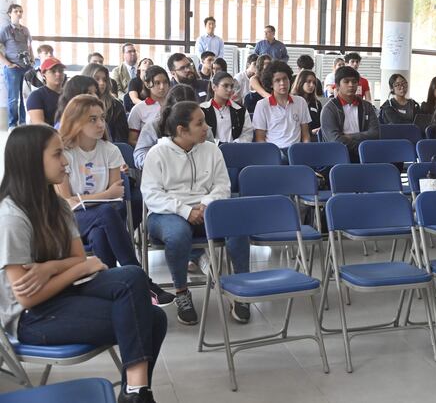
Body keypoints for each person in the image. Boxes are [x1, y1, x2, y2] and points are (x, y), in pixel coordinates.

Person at [0, 125, 167, 403]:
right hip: (33, 318)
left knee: (133, 276)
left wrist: (53, 267)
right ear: (30, 160)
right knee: (153, 319)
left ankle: (135, 391)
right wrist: (78, 267)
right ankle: (137, 393)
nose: (66, 161)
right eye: (57, 154)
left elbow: (79, 258)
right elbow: (29, 297)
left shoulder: (58, 205)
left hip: (66, 292)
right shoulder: (11, 217)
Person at [55, 94, 174, 305]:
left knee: (101, 232)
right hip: (70, 222)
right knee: (106, 213)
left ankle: (110, 294)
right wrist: (104, 196)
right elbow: (67, 202)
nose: (101, 124)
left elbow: (117, 196)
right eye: (92, 119)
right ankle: (140, 280)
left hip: (104, 220)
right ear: (75, 121)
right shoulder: (64, 154)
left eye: (102, 117)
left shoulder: (110, 150)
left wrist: (92, 198)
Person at [142, 101, 251, 326]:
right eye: (200, 123)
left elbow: (222, 185)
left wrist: (205, 204)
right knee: (178, 234)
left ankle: (241, 288)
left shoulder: (212, 149)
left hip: (206, 209)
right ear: (182, 130)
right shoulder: (157, 153)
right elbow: (152, 195)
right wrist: (185, 210)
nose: (207, 127)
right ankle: (182, 292)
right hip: (166, 213)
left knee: (239, 224)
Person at [134, 84, 212, 169]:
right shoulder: (153, 127)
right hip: (163, 175)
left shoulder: (203, 128)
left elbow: (211, 154)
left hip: (197, 174)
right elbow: (139, 157)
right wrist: (163, 160)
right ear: (170, 110)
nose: (184, 119)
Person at [320, 65, 379, 162]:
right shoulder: (329, 109)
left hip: (365, 155)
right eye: (346, 81)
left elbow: (375, 134)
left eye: (354, 82)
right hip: (338, 156)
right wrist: (360, 149)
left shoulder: (367, 107)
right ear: (337, 85)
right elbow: (335, 140)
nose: (351, 85)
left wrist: (349, 136)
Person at [253, 61, 310, 154]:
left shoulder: (300, 102)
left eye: (285, 79)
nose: (282, 83)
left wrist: (305, 152)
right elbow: (260, 139)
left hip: (296, 152)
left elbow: (305, 135)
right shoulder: (262, 105)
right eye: (277, 80)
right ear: (271, 84)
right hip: (273, 153)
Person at [1, 4, 33, 128]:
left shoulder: (25, 30)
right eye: (16, 11)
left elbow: (29, 47)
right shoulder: (5, 30)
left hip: (26, 68)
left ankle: (23, 123)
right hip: (13, 70)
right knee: (13, 99)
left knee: (25, 98)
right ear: (10, 13)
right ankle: (12, 124)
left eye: (20, 11)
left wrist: (31, 61)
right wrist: (8, 63)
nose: (19, 13)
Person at [81, 63, 130, 143]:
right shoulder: (76, 105)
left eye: (104, 80)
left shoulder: (116, 106)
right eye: (97, 79)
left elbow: (121, 140)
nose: (102, 83)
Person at [200, 71, 254, 144]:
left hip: (235, 151)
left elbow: (247, 134)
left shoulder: (241, 110)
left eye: (231, 86)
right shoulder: (201, 110)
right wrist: (219, 144)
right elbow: (199, 135)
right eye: (225, 86)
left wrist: (234, 145)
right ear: (214, 87)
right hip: (209, 152)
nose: (229, 90)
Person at [127, 66, 170, 147]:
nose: (162, 87)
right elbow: (132, 140)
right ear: (147, 84)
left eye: (165, 82)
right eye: (157, 83)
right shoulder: (139, 109)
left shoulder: (174, 105)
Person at [26, 57, 65, 126]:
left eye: (61, 71)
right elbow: (39, 124)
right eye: (53, 71)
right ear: (43, 75)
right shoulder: (36, 96)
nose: (58, 74)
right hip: (47, 135)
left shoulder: (69, 94)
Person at [292, 69, 323, 141]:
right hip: (297, 139)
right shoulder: (292, 101)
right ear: (301, 82)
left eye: (314, 83)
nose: (312, 85)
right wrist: (310, 132)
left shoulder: (317, 103)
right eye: (308, 82)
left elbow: (320, 123)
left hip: (314, 138)